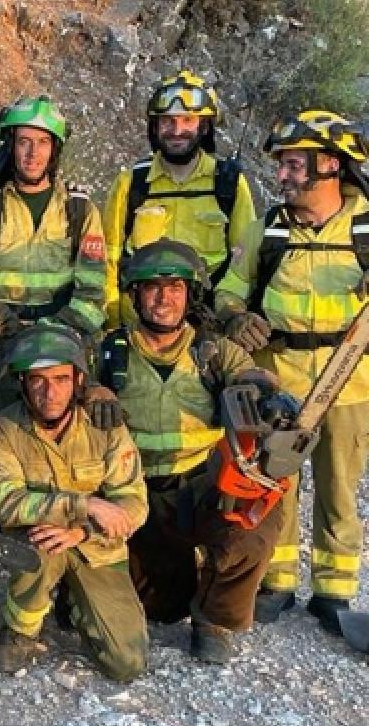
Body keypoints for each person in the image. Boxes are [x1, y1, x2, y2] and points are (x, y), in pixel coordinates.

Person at [214, 110, 369, 635]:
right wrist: (239, 317)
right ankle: (275, 580)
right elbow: (228, 289)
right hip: (279, 382)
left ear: (330, 165)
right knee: (275, 484)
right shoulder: (270, 229)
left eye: (293, 165)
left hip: (350, 383)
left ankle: (334, 592)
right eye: (281, 166)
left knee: (339, 489)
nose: (281, 176)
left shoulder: (366, 228)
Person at [99, 239, 283, 662]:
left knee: (258, 519)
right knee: (160, 607)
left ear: (191, 294)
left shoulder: (214, 352)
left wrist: (263, 389)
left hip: (199, 490)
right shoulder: (109, 353)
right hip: (134, 493)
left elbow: (251, 375)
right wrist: (92, 389)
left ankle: (215, 620)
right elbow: (68, 388)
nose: (164, 298)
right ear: (136, 296)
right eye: (152, 288)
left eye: (175, 288)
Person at [0, 324, 148, 681]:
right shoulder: (1, 430)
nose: (50, 393)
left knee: (126, 664)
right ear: (22, 383)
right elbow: (7, 504)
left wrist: (81, 532)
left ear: (77, 381)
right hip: (38, 542)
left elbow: (134, 502)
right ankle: (20, 629)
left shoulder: (106, 426)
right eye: (38, 380)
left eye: (60, 379)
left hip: (97, 547)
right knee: (42, 546)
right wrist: (84, 505)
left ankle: (73, 604)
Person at [0, 95, 106, 425]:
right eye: (23, 141)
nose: (32, 153)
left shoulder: (80, 211)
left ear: (55, 150)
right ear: (11, 145)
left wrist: (57, 329)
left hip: (63, 339)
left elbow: (94, 292)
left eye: (42, 143)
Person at [102, 70, 256, 327]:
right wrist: (112, 324)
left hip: (207, 329)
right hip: (139, 329)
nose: (177, 130)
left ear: (204, 127)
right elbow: (108, 258)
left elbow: (244, 263)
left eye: (187, 120)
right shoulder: (131, 184)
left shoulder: (228, 184)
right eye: (167, 122)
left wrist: (230, 315)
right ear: (155, 127)